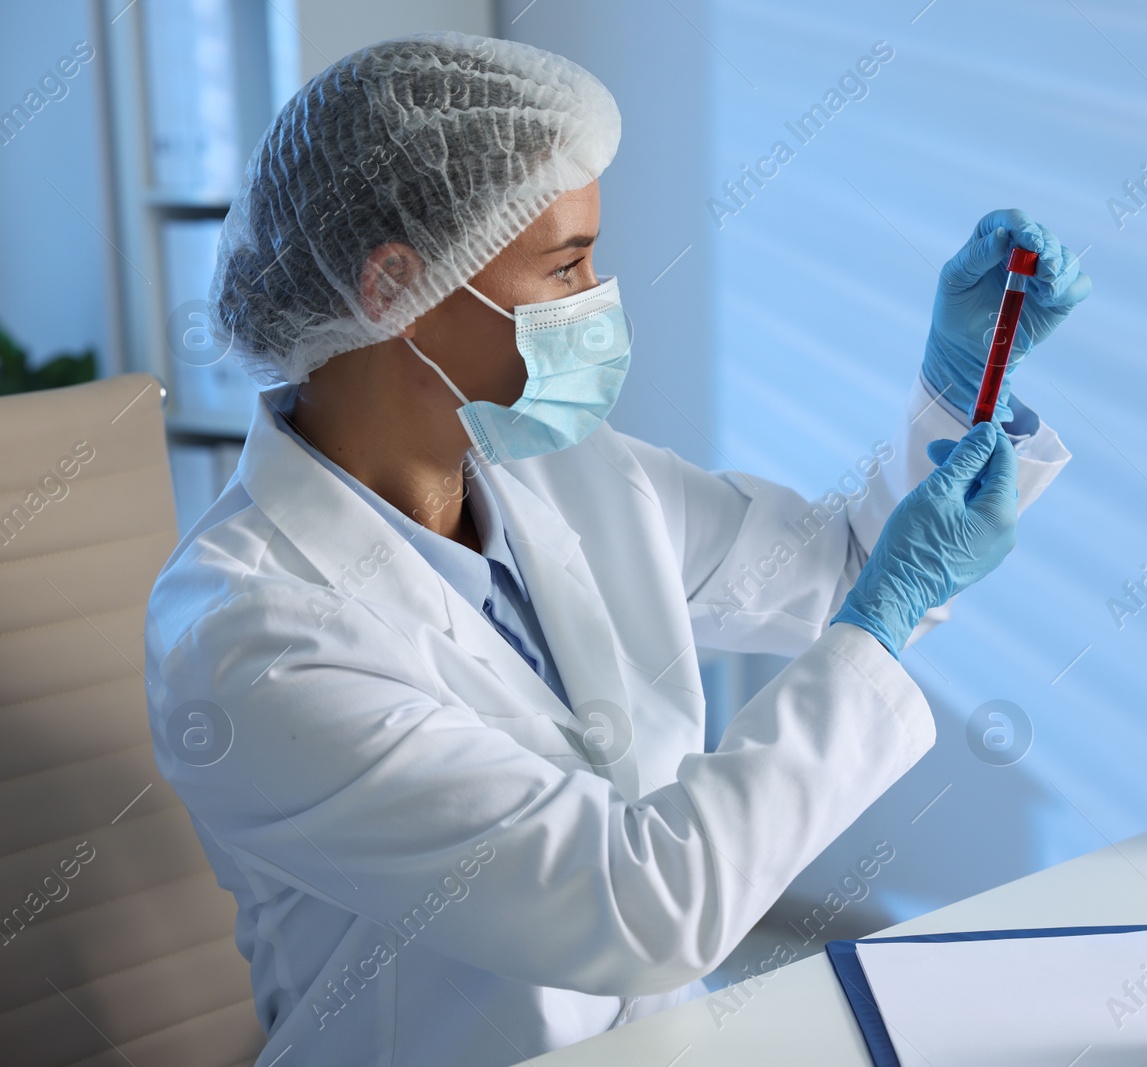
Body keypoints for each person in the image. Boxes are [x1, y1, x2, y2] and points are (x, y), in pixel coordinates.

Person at [144, 32, 1091, 1067]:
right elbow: (640, 906)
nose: (601, 296)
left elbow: (848, 570)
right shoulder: (249, 639)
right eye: (566, 264)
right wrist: (888, 605)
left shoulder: (564, 472)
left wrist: (962, 387)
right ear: (392, 289)